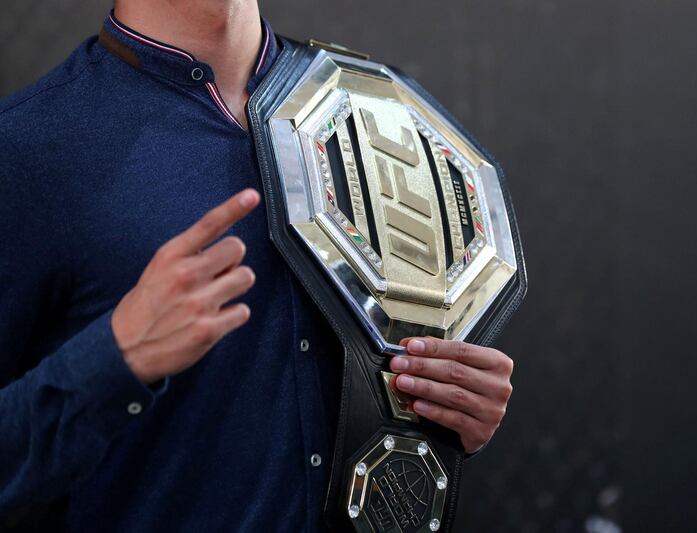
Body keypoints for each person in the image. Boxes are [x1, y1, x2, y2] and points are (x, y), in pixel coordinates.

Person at [0, 0, 515, 530]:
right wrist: (115, 360)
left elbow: (393, 411)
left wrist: (450, 411)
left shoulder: (374, 111)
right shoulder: (26, 149)